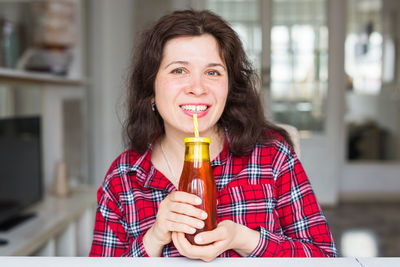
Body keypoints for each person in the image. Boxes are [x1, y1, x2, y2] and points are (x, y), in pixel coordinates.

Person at [89, 10, 337, 261]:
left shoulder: (272, 156)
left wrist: (244, 239)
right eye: (178, 71)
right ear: (150, 89)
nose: (197, 88)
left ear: (229, 88)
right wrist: (153, 239)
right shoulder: (124, 178)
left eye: (213, 72)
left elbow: (324, 257)